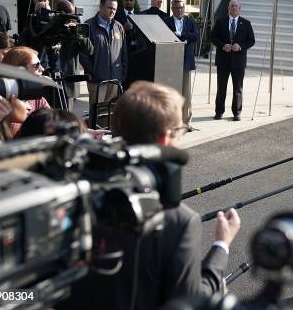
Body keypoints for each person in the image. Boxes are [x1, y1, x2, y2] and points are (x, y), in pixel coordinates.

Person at [66, 81, 241, 310]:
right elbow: (189, 300)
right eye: (181, 130)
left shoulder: (72, 195)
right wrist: (221, 246)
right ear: (165, 139)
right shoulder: (179, 220)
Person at [210, 0, 255, 121]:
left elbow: (251, 40)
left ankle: (237, 112)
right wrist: (222, 45)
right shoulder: (220, 22)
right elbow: (212, 37)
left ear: (240, 8)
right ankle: (219, 112)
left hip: (238, 62)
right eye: (232, 6)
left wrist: (240, 46)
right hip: (223, 61)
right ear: (228, 8)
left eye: (236, 6)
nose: (234, 8)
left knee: (238, 88)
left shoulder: (246, 23)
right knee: (221, 87)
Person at [80, 0, 127, 106]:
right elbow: (82, 54)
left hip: (115, 80)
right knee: (97, 113)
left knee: (110, 113)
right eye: (109, 8)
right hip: (97, 80)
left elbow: (123, 53)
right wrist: (93, 72)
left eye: (115, 9)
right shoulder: (88, 25)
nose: (112, 11)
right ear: (100, 7)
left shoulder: (119, 27)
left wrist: (122, 74)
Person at [2, 46, 52, 137]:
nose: (42, 69)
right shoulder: (0, 101)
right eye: (36, 65)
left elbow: (54, 122)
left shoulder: (38, 100)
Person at [165, 0, 198, 124]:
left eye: (181, 7)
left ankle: (186, 120)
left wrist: (179, 34)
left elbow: (195, 36)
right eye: (176, 7)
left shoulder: (190, 22)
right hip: (170, 61)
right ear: (172, 8)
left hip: (186, 61)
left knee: (186, 92)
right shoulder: (166, 22)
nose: (179, 10)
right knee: (171, 91)